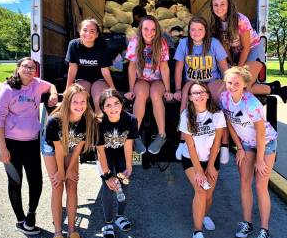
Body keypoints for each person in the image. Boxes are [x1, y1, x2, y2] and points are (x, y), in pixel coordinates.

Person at [0, 57, 58, 235]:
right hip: (11, 144)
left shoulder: (36, 84)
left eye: (32, 67)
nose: (29, 70)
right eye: (25, 67)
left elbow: (51, 85)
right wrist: (2, 148)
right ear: (18, 68)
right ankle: (20, 219)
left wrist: (52, 94)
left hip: (31, 142)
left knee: (36, 181)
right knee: (15, 182)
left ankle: (31, 214)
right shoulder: (7, 90)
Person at [220, 66, 278, 238]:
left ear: (245, 84)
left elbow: (261, 134)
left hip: (265, 144)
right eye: (229, 82)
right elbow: (229, 122)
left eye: (237, 83)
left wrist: (260, 159)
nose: (232, 86)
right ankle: (247, 224)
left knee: (261, 186)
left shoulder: (252, 104)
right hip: (245, 144)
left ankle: (264, 229)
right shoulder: (224, 98)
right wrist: (239, 147)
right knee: (245, 183)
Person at [210, 0, 287, 110]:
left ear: (229, 5)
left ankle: (281, 90)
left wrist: (237, 70)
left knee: (243, 87)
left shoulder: (240, 20)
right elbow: (225, 47)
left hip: (253, 50)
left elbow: (246, 47)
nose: (219, 8)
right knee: (238, 86)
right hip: (236, 53)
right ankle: (273, 87)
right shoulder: (216, 24)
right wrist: (230, 63)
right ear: (212, 7)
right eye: (215, 5)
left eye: (222, 4)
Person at [41, 83, 98, 238]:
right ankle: (58, 233)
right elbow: (59, 150)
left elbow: (79, 148)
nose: (80, 106)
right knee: (57, 185)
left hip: (72, 148)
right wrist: (61, 172)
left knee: (72, 185)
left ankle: (72, 230)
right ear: (67, 102)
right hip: (52, 148)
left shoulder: (87, 118)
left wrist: (71, 169)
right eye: (75, 102)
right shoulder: (55, 120)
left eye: (83, 102)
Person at [173, 16, 229, 162]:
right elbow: (178, 69)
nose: (196, 32)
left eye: (200, 29)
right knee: (185, 100)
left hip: (212, 81)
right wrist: (178, 89)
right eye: (193, 29)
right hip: (192, 81)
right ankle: (183, 141)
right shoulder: (184, 43)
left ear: (206, 31)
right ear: (188, 31)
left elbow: (224, 67)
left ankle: (224, 145)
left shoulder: (214, 43)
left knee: (220, 105)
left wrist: (229, 85)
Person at [178, 81, 226, 238]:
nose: (199, 95)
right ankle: (197, 232)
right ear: (190, 98)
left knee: (209, 194)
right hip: (191, 160)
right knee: (200, 190)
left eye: (202, 92)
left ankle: (204, 215)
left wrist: (211, 166)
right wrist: (199, 171)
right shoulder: (186, 115)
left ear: (207, 94)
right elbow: (190, 145)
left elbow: (217, 143)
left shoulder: (217, 114)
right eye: (195, 93)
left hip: (211, 158)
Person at [124, 15, 173, 155]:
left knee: (156, 94)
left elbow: (164, 68)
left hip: (157, 80)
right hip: (142, 79)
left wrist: (168, 89)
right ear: (141, 29)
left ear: (157, 30)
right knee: (140, 94)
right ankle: (135, 135)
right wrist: (130, 89)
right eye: (146, 28)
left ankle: (161, 135)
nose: (149, 32)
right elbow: (132, 67)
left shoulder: (162, 43)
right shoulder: (135, 42)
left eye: (153, 29)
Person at [96, 89, 138, 238]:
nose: (113, 108)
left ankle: (120, 216)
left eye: (116, 103)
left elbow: (128, 144)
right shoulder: (98, 123)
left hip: (121, 155)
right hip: (105, 156)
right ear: (102, 108)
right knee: (109, 187)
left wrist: (129, 166)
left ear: (122, 104)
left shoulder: (131, 119)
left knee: (124, 184)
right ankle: (108, 223)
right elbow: (100, 151)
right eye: (108, 105)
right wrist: (107, 174)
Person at [65, 18, 116, 115]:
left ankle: (98, 125)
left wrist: (112, 87)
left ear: (97, 34)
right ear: (79, 32)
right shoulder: (73, 45)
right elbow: (72, 68)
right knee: (80, 100)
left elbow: (105, 70)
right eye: (84, 30)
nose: (88, 33)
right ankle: (84, 126)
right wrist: (67, 89)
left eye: (92, 31)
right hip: (82, 78)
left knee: (98, 99)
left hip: (99, 79)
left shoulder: (102, 45)